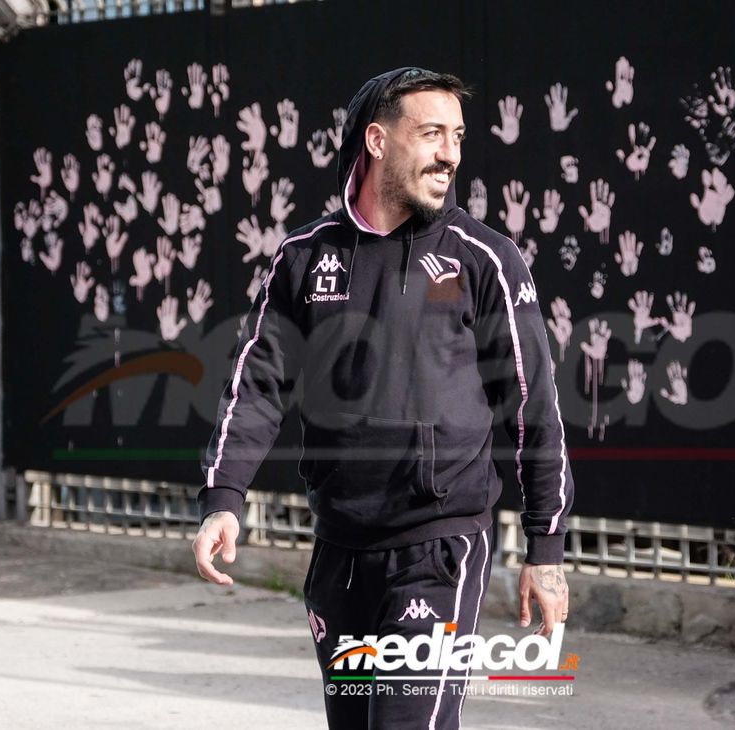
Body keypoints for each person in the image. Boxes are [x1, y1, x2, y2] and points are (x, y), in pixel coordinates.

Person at [191, 67, 574, 730]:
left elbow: (532, 407)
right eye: (431, 134)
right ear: (377, 140)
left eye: (456, 135)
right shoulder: (304, 259)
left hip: (440, 546)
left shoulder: (485, 258)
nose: (451, 153)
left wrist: (546, 549)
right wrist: (224, 498)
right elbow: (255, 382)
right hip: (338, 551)